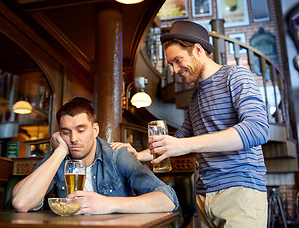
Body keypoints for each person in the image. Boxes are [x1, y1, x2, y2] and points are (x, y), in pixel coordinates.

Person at [111, 21, 269, 227]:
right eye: (171, 65)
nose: (175, 70)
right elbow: (177, 141)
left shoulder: (236, 76)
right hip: (203, 197)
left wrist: (186, 145)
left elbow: (258, 129)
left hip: (240, 193)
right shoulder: (195, 98)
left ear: (197, 49)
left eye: (178, 60)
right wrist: (138, 155)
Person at [12, 98, 178, 215]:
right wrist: (60, 152)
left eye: (81, 130)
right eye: (66, 132)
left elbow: (168, 199)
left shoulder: (116, 156)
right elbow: (21, 203)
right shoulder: (59, 156)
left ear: (95, 130)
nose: (74, 139)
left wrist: (108, 204)